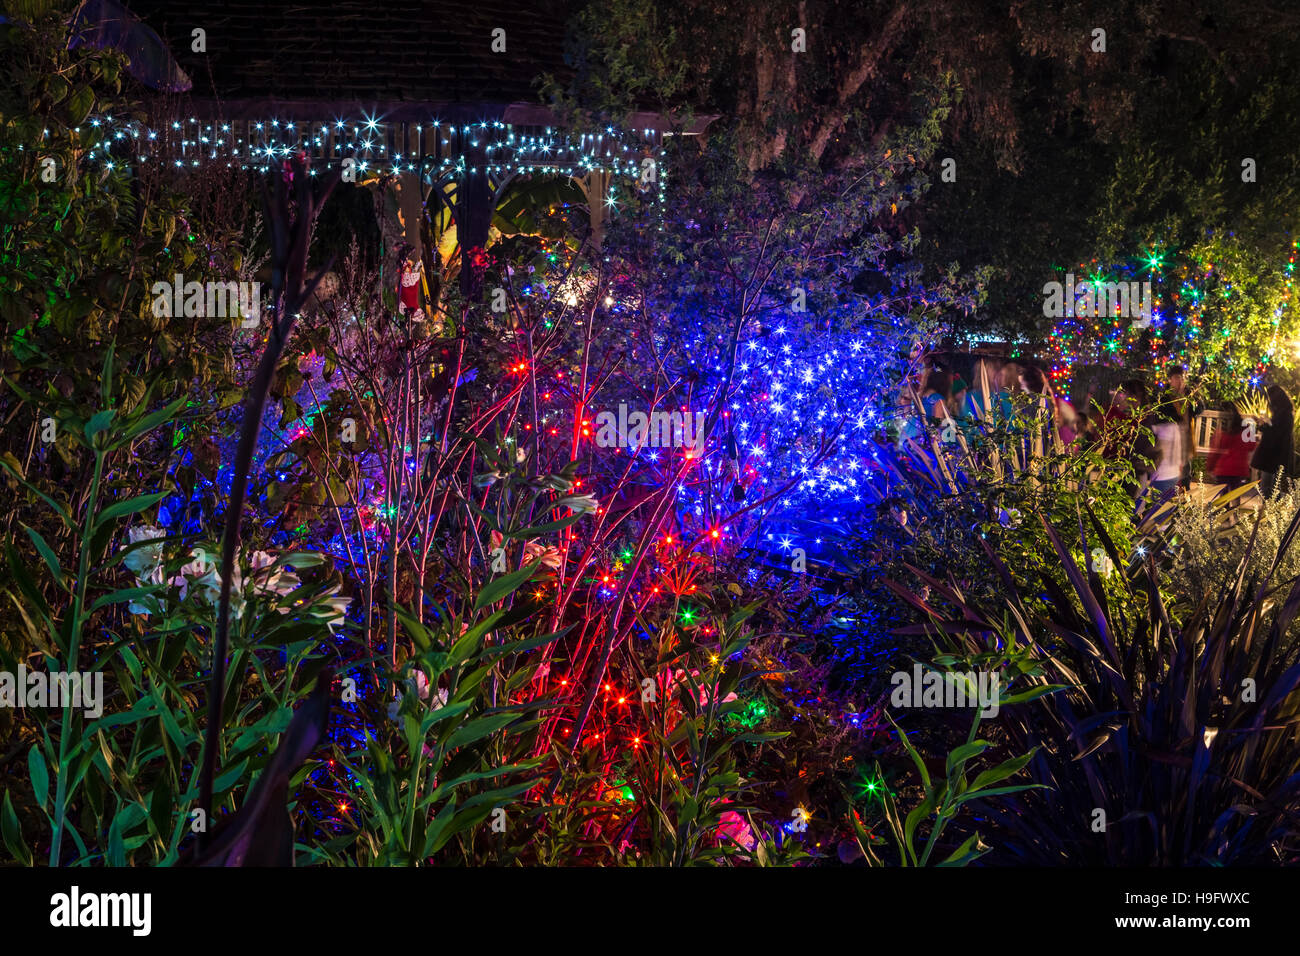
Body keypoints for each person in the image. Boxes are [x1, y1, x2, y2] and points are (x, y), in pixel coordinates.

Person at [1251, 384, 1295, 499]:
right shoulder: (1284, 413)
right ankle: (1275, 510)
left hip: (1273, 457)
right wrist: (1264, 424)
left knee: (1268, 489)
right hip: (1274, 457)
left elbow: (1275, 433)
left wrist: (1262, 425)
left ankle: (1280, 508)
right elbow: (1274, 429)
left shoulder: (1284, 415)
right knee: (1270, 488)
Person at [1206, 406, 1253, 491]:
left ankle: (1225, 504)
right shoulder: (1246, 431)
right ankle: (1236, 504)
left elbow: (1215, 453)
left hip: (1224, 469)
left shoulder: (1222, 433)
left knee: (1224, 495)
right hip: (1239, 468)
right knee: (1236, 493)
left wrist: (1209, 468)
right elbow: (1251, 447)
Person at [1147, 403, 1185, 498]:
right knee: (1166, 507)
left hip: (1162, 475)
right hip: (1174, 473)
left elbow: (1156, 450)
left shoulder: (1161, 429)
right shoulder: (1175, 427)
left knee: (1157, 509)